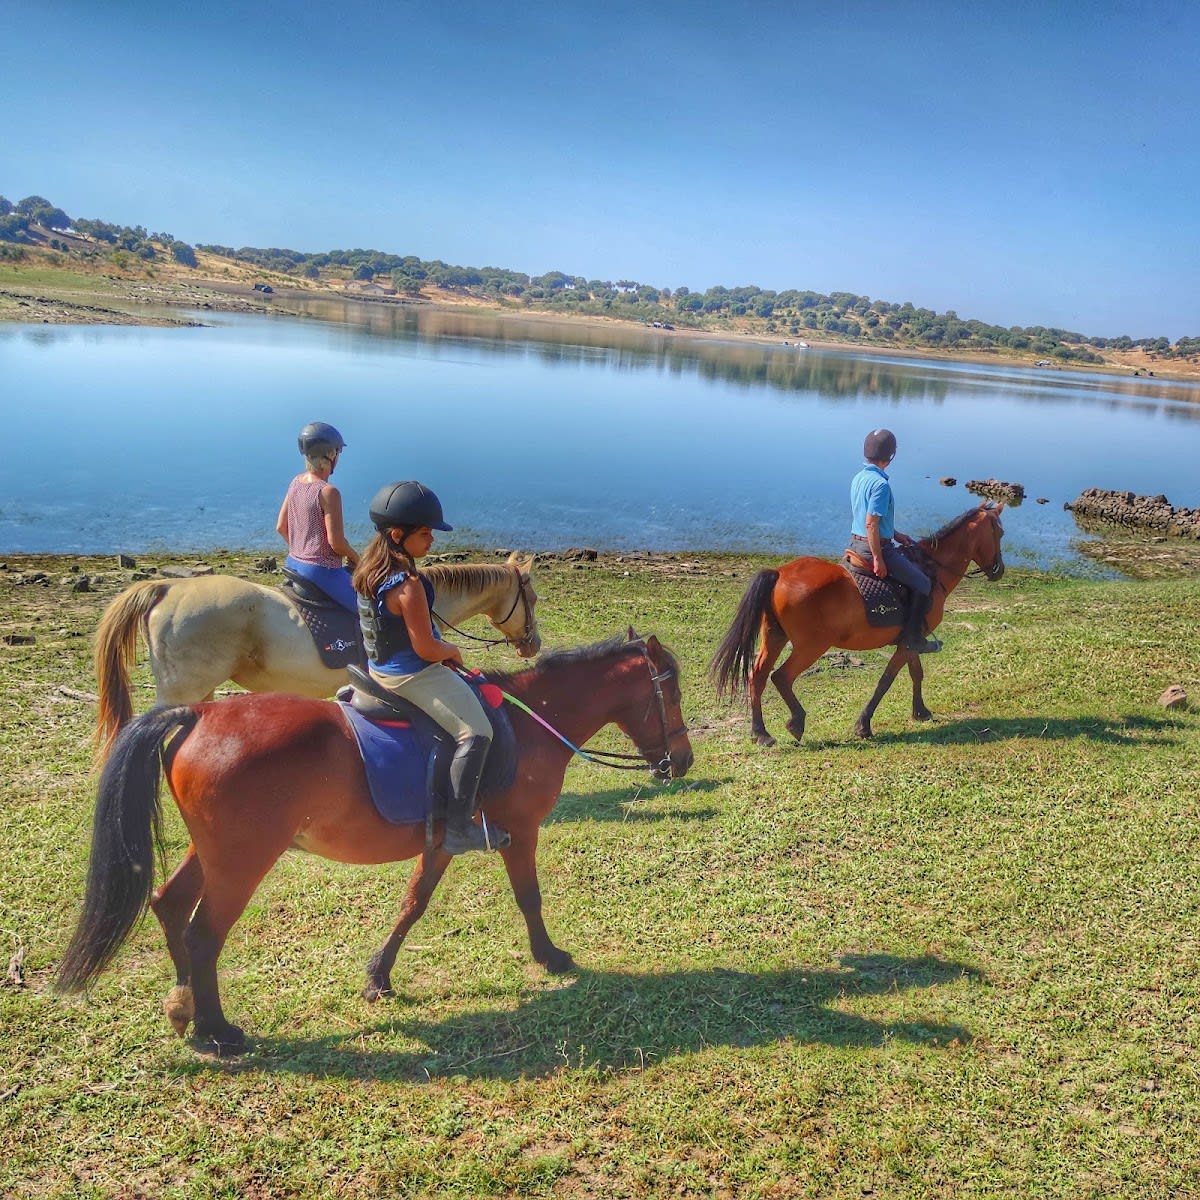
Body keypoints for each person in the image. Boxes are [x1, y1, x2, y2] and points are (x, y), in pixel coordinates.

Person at [352, 480, 508, 855]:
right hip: (411, 675)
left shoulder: (369, 570)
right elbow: (425, 646)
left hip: (379, 669)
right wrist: (451, 648)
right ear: (397, 534)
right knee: (478, 731)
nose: (431, 541)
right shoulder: (409, 585)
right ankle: (458, 830)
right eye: (424, 534)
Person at [849, 428, 942, 654]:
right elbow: (871, 523)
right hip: (874, 549)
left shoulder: (860, 477)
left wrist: (895, 533)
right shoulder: (881, 485)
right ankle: (914, 639)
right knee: (923, 583)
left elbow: (867, 520)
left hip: (854, 543)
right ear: (890, 456)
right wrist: (879, 559)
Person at [276, 421, 359, 612]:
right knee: (368, 609)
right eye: (338, 452)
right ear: (331, 454)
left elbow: (281, 526)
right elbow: (336, 542)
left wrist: (301, 550)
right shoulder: (328, 492)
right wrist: (357, 558)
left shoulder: (295, 482)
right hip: (321, 572)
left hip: (293, 563)